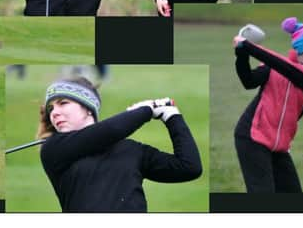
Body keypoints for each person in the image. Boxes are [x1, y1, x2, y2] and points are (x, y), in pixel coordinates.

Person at [37, 77, 202, 212]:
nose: (54, 112)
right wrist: (148, 109)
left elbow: (189, 167)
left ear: (88, 108)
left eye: (63, 103)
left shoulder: (131, 150)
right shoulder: (54, 148)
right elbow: (113, 129)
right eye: (51, 108)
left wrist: (172, 117)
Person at [233, 17, 303, 192]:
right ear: (302, 49)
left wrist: (248, 46)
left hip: (279, 145)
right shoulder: (274, 67)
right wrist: (241, 55)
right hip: (252, 136)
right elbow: (248, 81)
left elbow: (284, 67)